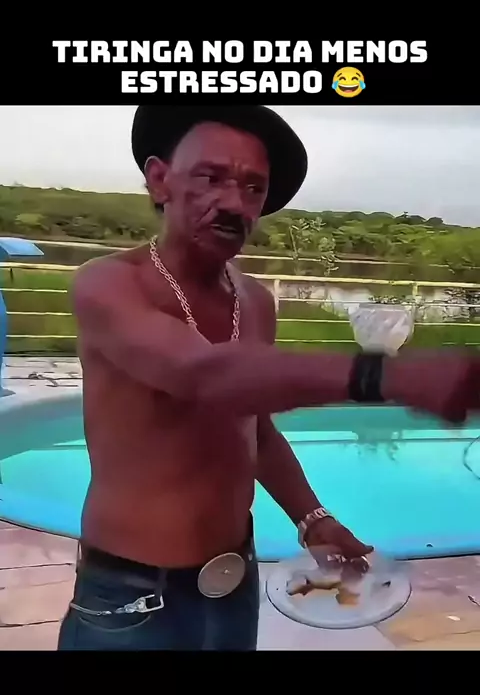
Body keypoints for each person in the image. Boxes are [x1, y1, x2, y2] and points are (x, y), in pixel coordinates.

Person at [57, 105, 480, 651]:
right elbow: (202, 374)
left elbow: (253, 427)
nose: (234, 203)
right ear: (160, 179)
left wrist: (312, 518)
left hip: (233, 578)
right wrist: (388, 376)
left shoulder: (255, 300)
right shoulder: (108, 284)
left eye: (253, 188)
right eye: (211, 177)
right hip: (131, 596)